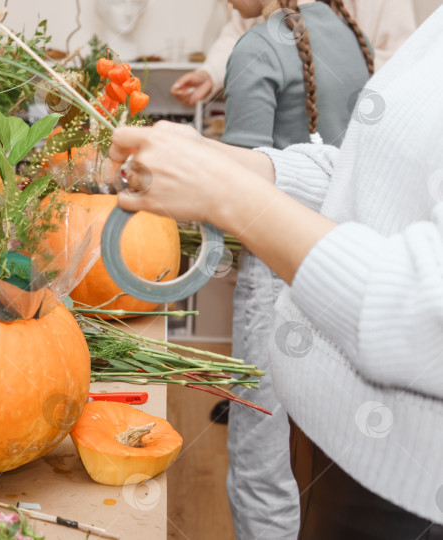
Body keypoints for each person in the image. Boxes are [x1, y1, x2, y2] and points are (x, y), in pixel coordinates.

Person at [108, 5, 443, 538]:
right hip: (340, 457)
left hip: (406, 494)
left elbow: (426, 306)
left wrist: (224, 192)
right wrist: (216, 161)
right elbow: (363, 174)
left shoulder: (260, 45)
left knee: (258, 459)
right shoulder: (374, 29)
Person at [217, 1, 372, 538]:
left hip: (275, 263)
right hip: (344, 254)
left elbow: (232, 189)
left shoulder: (257, 47)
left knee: (259, 446)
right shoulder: (352, 36)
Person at [171, 0, 416, 106]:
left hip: (355, 125)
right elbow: (237, 33)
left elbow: (400, 60)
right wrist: (211, 74)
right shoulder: (257, 19)